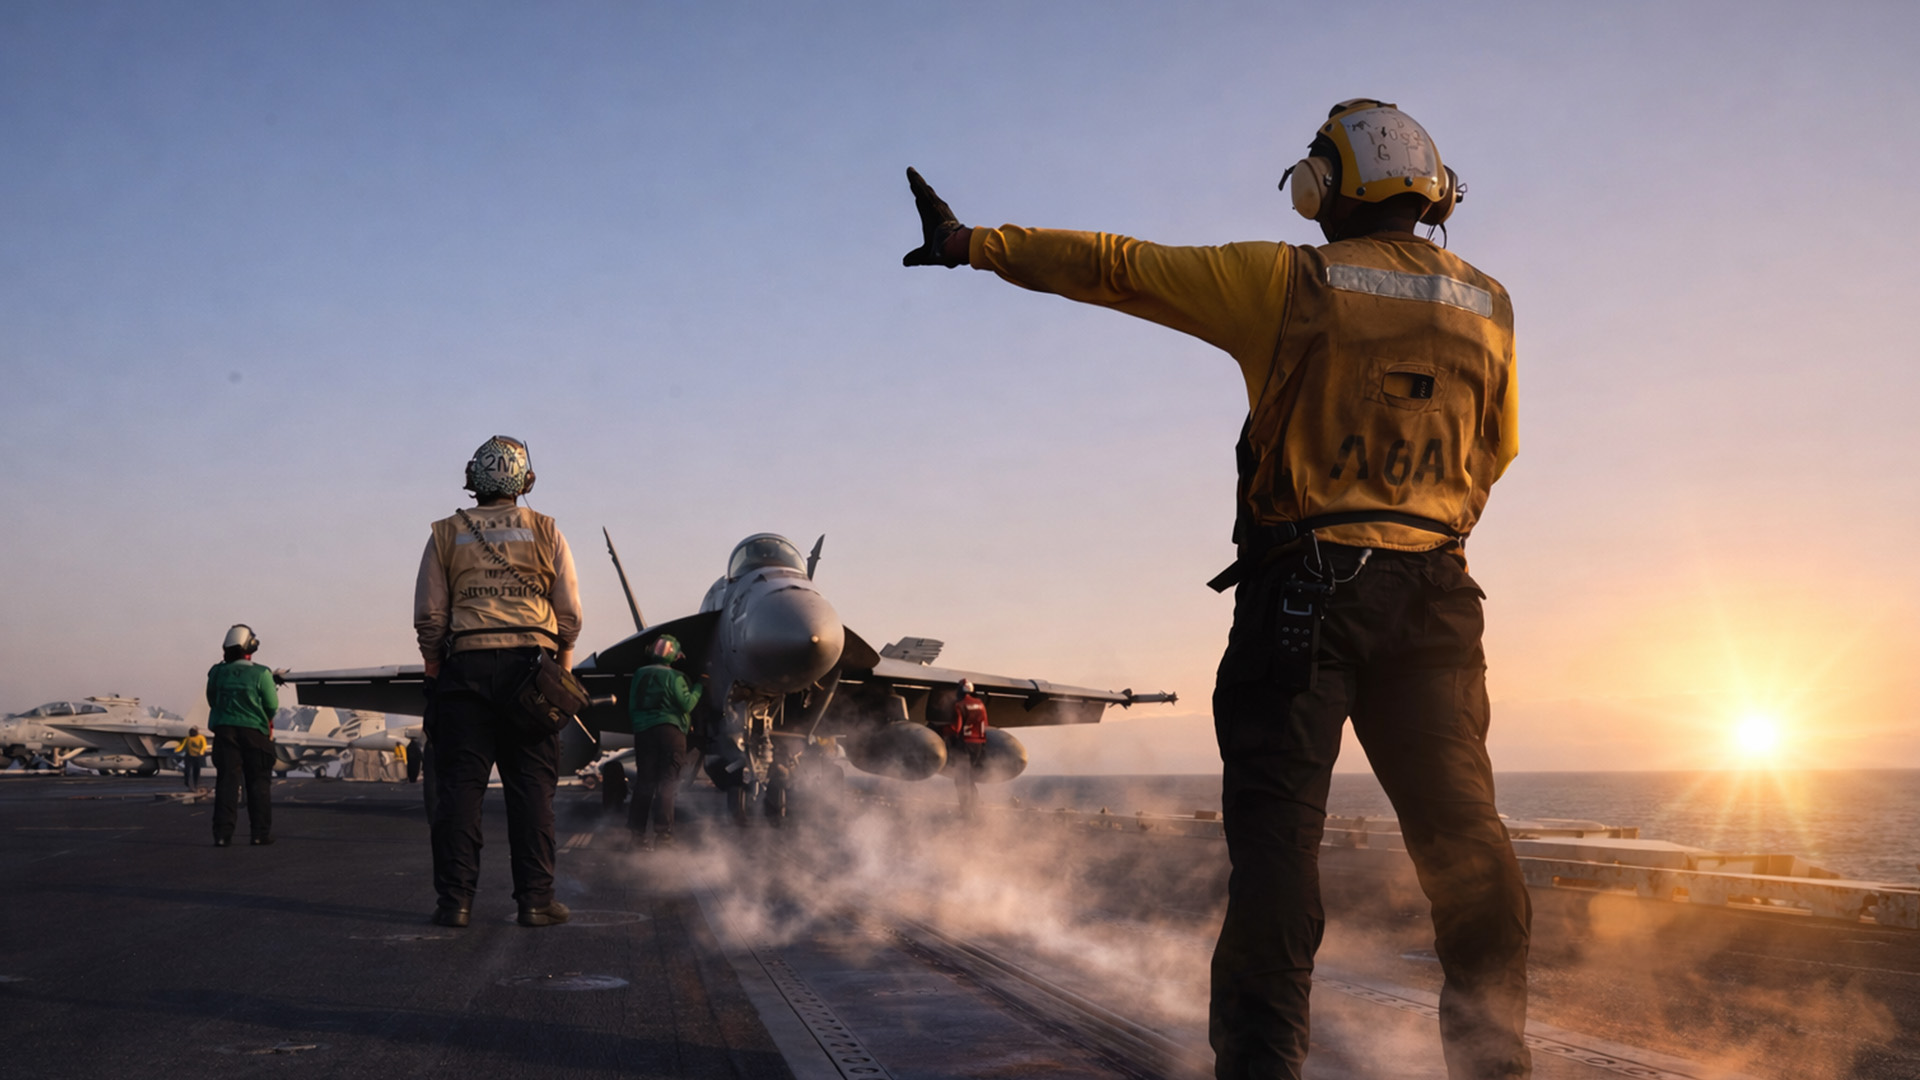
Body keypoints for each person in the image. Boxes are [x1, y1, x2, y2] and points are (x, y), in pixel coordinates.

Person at [901, 99, 1530, 1080]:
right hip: (1438, 603)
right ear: (1432, 192)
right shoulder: (1492, 303)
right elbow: (1495, 455)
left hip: (1304, 600)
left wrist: (973, 242)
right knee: (1474, 867)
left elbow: (1118, 265)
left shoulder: (1289, 279)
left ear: (1327, 188)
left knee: (1279, 878)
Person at [414, 435, 582, 928]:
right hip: (532, 671)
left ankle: (455, 903)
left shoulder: (445, 532)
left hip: (464, 669)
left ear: (472, 481)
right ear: (526, 482)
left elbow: (430, 613)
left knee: (460, 792)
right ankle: (535, 900)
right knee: (532, 790)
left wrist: (432, 665)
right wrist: (563, 663)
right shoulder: (545, 529)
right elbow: (568, 611)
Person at [626, 635, 701, 849]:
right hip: (671, 733)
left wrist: (639, 725)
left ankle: (636, 836)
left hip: (644, 731)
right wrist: (700, 686)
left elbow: (632, 704)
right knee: (667, 784)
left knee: (644, 782)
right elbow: (686, 704)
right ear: (675, 655)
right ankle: (664, 837)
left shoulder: (640, 674)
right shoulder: (676, 677)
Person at [206, 626, 278, 846]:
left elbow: (212, 699)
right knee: (258, 784)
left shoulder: (217, 672)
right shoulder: (262, 673)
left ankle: (222, 835)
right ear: (250, 647)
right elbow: (271, 705)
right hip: (255, 734)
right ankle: (259, 834)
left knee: (227, 783)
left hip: (225, 732)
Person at [944, 679, 990, 813]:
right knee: (970, 778)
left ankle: (966, 810)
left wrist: (941, 730)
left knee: (961, 778)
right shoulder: (980, 704)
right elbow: (985, 723)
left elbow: (955, 728)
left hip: (964, 745)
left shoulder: (959, 705)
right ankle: (974, 806)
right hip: (979, 745)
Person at [175, 726, 209, 791]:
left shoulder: (201, 738)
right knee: (187, 769)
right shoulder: (188, 738)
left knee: (196, 770)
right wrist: (176, 750)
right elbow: (182, 745)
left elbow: (204, 745)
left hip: (198, 756)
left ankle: (196, 784)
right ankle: (187, 782)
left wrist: (201, 752)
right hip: (189, 755)